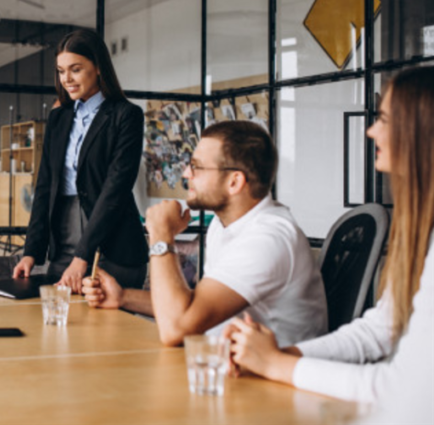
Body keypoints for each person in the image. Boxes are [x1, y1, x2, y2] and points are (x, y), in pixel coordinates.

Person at [224, 66, 434, 423]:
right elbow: (378, 331)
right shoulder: (422, 232)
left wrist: (276, 363)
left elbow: (399, 393)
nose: (371, 130)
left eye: (384, 118)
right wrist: (278, 356)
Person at [82, 120, 328, 347]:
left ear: (234, 182)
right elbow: (194, 307)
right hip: (226, 367)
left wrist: (161, 236)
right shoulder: (223, 225)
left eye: (197, 167)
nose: (186, 175)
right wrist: (123, 297)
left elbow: (175, 329)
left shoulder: (268, 239)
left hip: (268, 385)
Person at [13, 29, 148, 292]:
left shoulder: (126, 115)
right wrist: (31, 252)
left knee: (102, 330)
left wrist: (83, 256)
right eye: (61, 71)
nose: (67, 79)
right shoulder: (59, 117)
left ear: (98, 67)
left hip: (114, 245)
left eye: (75, 69)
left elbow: (115, 190)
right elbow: (44, 186)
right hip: (64, 239)